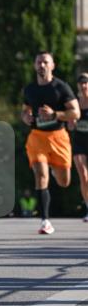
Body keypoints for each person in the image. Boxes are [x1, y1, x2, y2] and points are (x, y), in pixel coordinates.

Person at [22, 51, 79, 235]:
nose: (42, 65)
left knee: (64, 182)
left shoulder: (61, 88)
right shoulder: (30, 89)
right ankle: (45, 221)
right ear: (34, 66)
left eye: (46, 62)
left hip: (58, 137)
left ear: (52, 65)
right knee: (40, 174)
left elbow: (75, 113)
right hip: (37, 137)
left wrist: (55, 114)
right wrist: (26, 117)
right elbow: (24, 111)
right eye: (39, 62)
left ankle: (55, 169)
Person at [69, 73, 88, 222]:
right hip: (79, 143)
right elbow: (69, 125)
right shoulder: (74, 102)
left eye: (86, 82)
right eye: (81, 83)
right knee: (83, 175)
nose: (84, 85)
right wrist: (72, 123)